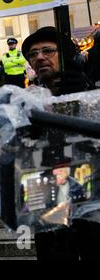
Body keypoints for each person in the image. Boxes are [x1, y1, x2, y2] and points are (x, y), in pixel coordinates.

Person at [21, 26, 99, 260]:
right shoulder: (31, 100)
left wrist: (82, 98)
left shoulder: (89, 89)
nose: (39, 57)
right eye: (33, 54)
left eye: (47, 50)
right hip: (49, 200)